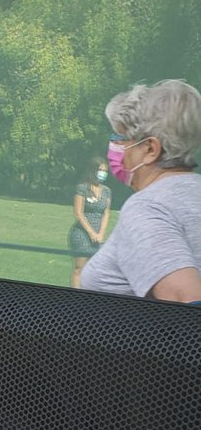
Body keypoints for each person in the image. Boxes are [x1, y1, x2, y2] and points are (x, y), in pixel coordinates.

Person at [82, 80, 201, 302]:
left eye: (120, 139)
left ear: (150, 149)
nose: (114, 148)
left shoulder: (147, 207)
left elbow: (186, 305)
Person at [67, 158, 111, 288]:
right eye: (100, 170)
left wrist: (101, 233)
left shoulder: (107, 191)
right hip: (82, 233)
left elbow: (106, 212)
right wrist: (91, 233)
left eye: (105, 170)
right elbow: (78, 213)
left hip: (98, 236)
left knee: (94, 271)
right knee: (79, 267)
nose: (102, 173)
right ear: (93, 171)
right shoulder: (82, 189)